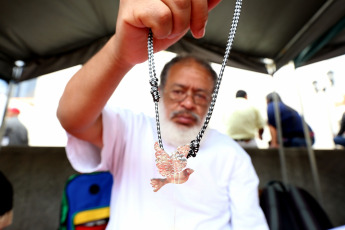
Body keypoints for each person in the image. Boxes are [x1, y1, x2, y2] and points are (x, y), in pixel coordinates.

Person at [57, 1, 269, 229]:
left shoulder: (232, 155)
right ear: (159, 93)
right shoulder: (130, 129)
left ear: (211, 102)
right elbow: (72, 118)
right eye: (178, 91)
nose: (188, 103)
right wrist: (120, 54)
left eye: (200, 95)